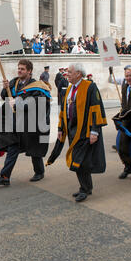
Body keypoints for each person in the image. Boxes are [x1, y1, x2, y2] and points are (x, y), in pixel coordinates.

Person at [46, 63, 107, 202]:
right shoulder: (69, 89)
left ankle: (84, 189)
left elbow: (96, 108)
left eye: (70, 72)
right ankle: (87, 187)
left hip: (85, 130)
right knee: (79, 159)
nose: (67, 74)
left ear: (79, 73)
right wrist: (61, 128)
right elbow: (64, 111)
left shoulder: (90, 86)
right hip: (72, 129)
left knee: (80, 160)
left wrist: (95, 131)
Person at [0, 59, 51, 185]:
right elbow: (4, 97)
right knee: (14, 146)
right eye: (18, 68)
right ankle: (5, 176)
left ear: (29, 71)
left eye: (22, 69)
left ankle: (39, 171)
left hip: (31, 122)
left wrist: (19, 104)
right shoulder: (14, 82)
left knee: (34, 148)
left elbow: (38, 103)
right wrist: (5, 88)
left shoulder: (37, 85)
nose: (19, 70)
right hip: (16, 122)